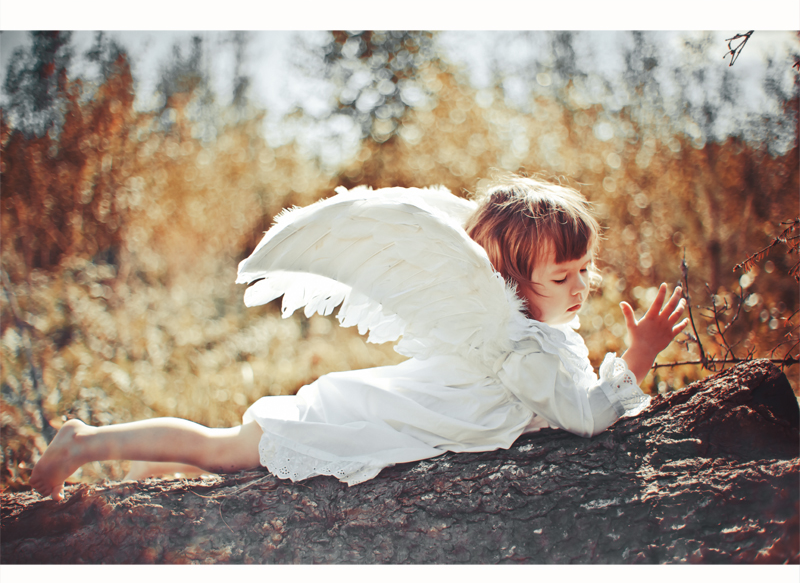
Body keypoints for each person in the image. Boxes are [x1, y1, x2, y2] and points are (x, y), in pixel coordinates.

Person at [30, 175, 688, 501]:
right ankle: (85, 443)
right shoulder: (518, 348)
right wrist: (639, 355)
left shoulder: (528, 333)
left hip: (379, 406)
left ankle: (140, 465)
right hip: (359, 416)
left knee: (221, 449)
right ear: (511, 280)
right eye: (562, 276)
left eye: (585, 270)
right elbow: (583, 416)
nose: (581, 287)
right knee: (222, 449)